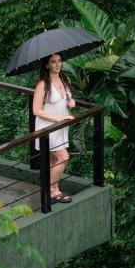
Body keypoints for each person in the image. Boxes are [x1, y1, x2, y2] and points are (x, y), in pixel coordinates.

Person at [32, 52, 75, 203]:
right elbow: (36, 110)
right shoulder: (43, 84)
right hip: (47, 129)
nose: (57, 64)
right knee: (64, 157)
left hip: (61, 128)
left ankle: (52, 190)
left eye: (59, 61)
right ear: (47, 65)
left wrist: (71, 102)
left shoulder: (64, 80)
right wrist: (58, 119)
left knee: (53, 161)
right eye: (53, 62)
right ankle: (52, 191)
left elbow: (66, 99)